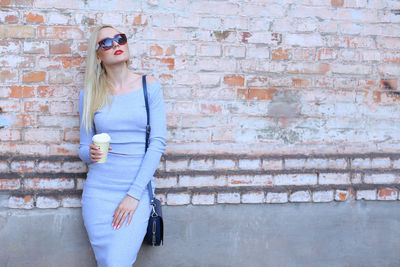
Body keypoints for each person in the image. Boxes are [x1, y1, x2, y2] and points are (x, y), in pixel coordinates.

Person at [78, 24, 166, 266]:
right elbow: (83, 149)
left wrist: (133, 195)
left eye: (120, 39)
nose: (115, 45)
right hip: (98, 194)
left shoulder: (150, 85)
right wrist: (91, 153)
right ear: (97, 55)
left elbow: (157, 144)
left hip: (134, 193)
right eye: (106, 42)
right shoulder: (89, 94)